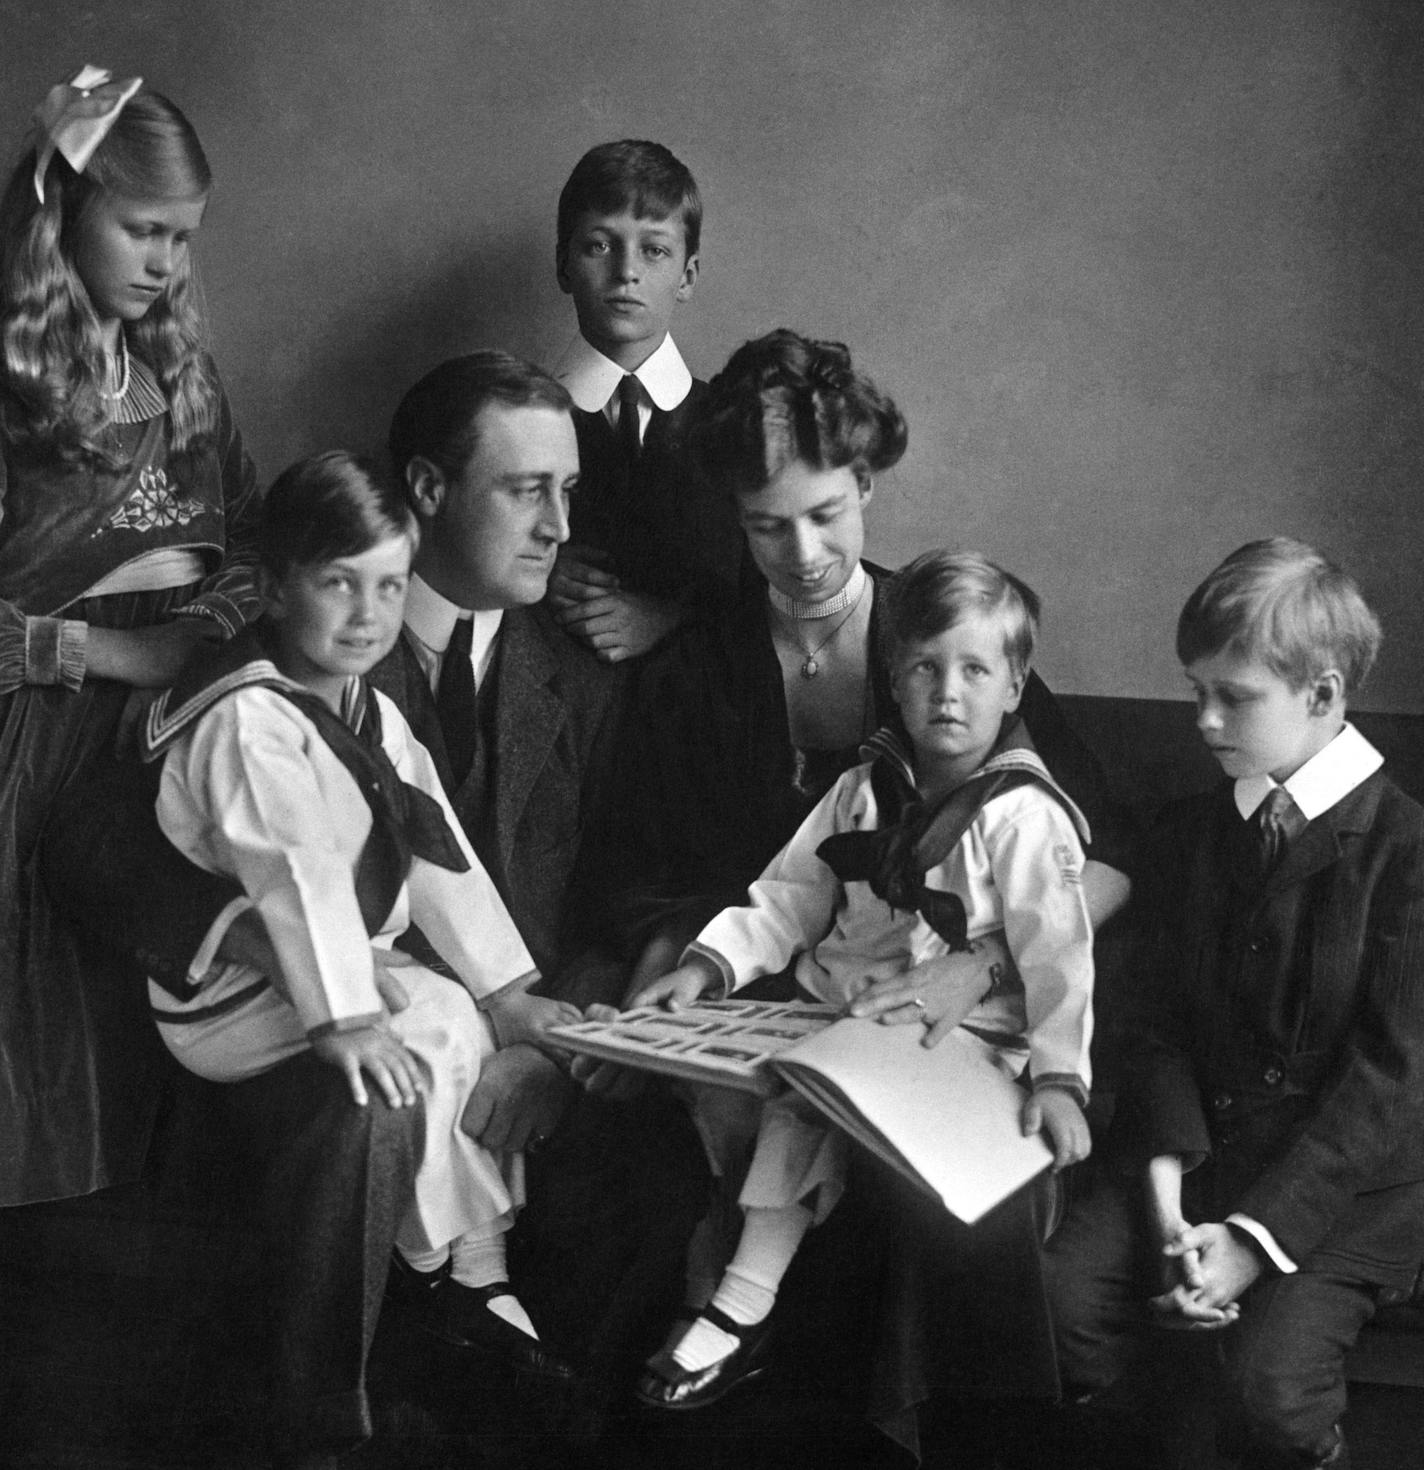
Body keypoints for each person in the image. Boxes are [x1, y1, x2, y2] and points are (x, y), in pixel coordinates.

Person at [591, 328, 1129, 1454]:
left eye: (826, 514)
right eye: (763, 525)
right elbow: (710, 879)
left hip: (950, 1004)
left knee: (918, 1185)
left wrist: (978, 966)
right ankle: (732, 1346)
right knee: (715, 1151)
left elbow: (1091, 867)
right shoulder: (697, 662)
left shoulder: (944, 635)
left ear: (868, 487)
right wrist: (689, 978)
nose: (799, 553)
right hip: (781, 993)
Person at [141, 451, 576, 1457]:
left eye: (389, 585)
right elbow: (291, 875)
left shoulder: (368, 710)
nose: (368, 614)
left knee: (457, 1015)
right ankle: (447, 1277)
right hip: (232, 992)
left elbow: (440, 855)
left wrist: (509, 989)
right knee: (420, 1027)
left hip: (338, 963)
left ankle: (471, 1266)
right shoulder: (249, 714)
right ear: (274, 584)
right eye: (338, 584)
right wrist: (341, 1019)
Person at [629, 550, 1096, 1409]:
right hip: (833, 1002)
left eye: (974, 670)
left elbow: (1059, 960)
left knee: (813, 1092)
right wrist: (706, 965)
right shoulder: (860, 789)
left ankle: (743, 1302)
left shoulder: (1024, 816)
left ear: (1015, 686)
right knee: (745, 1086)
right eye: (924, 667)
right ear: (893, 676)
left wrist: (1062, 1081)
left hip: (954, 1031)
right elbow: (788, 897)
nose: (946, 692)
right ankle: (735, 1305)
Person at [1043, 539, 1424, 1470]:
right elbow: (1158, 1022)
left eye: (1235, 696)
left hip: (1341, 1189)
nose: (1204, 720)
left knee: (1269, 1390)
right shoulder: (1197, 832)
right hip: (1198, 1152)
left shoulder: (1407, 855)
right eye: (1194, 691)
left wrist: (1252, 1244)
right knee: (1063, 1302)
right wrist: (1168, 1196)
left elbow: (1390, 1083)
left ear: (1324, 697)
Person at [0, 66, 261, 1207]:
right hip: (33, 749)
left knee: (167, 1006)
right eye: (143, 229)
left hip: (163, 729)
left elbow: (254, 551)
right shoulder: (12, 391)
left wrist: (155, 653)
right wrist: (74, 656)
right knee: (38, 1025)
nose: (167, 261)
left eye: (184, 237)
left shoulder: (179, 381)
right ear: (63, 214)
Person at [547, 139, 744, 663]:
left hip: (693, 709)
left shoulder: (730, 424)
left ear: (687, 276)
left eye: (653, 250)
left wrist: (668, 616)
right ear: (564, 265)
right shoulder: (522, 421)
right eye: (600, 246)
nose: (626, 272)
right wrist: (540, 570)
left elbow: (765, 582)